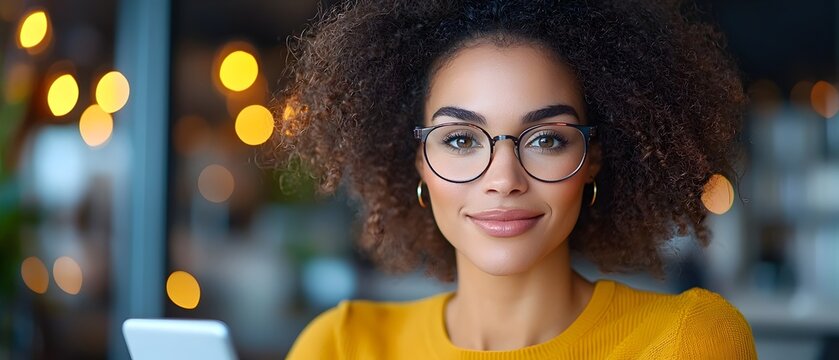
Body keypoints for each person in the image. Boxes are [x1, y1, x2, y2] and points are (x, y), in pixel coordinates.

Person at [273, 0, 757, 358]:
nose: (504, 179)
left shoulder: (689, 342)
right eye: (461, 140)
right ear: (419, 160)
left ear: (592, 160)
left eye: (546, 139)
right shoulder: (339, 346)